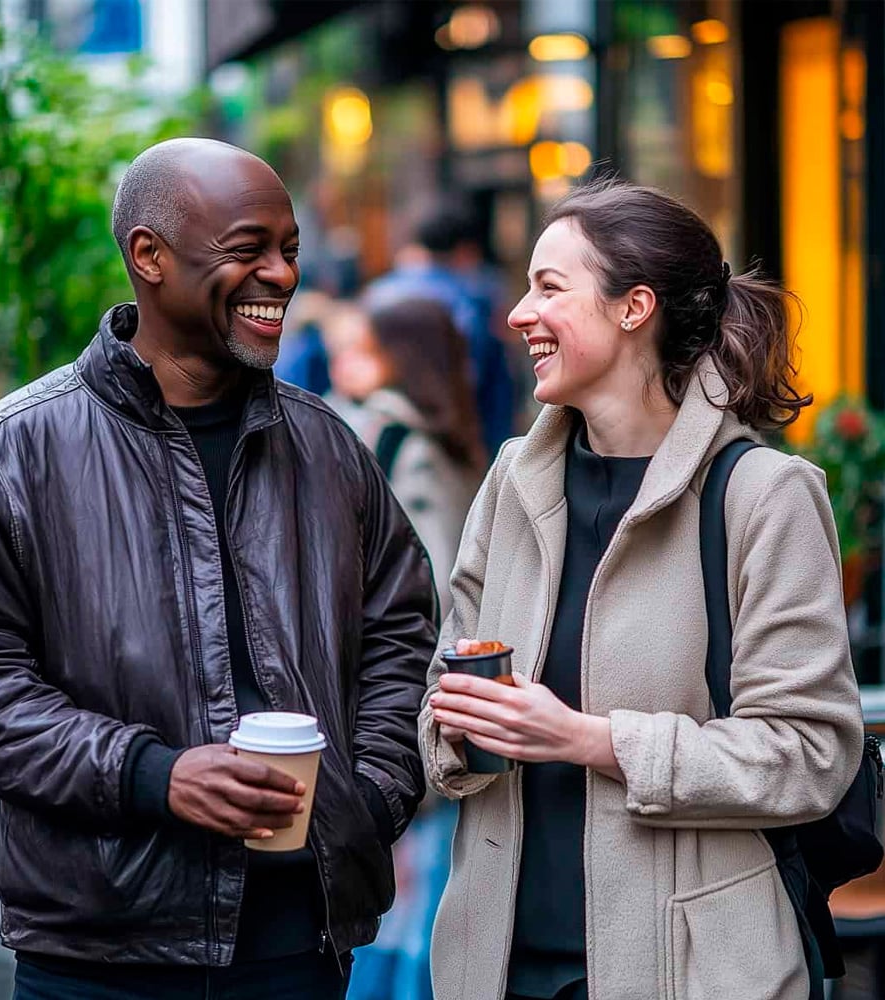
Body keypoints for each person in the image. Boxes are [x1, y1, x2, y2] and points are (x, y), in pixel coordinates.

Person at [0, 138, 437, 1000]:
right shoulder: (8, 453)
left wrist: (368, 795)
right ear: (148, 256)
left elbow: (402, 633)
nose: (282, 276)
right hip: (100, 954)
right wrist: (151, 775)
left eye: (290, 250)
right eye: (247, 249)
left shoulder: (329, 448)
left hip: (302, 943)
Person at [418, 180, 865, 1000]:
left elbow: (810, 756)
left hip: (689, 970)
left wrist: (589, 739)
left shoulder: (763, 495)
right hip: (495, 967)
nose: (519, 314)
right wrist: (456, 731)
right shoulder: (513, 478)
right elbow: (439, 697)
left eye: (550, 287)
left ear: (635, 309)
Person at [322, 296, 484, 1000]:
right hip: (452, 706)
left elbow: (426, 590)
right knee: (431, 902)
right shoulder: (463, 448)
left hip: (397, 707)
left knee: (392, 917)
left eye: (363, 348)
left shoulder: (385, 441)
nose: (343, 363)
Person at [324, 297, 485, 619]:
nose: (345, 363)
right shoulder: (449, 428)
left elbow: (434, 570)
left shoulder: (398, 439)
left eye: (366, 351)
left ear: (401, 358)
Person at [363, 198, 515, 460]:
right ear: (466, 250)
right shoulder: (472, 301)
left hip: (382, 428)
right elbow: (480, 382)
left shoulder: (379, 293)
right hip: (452, 438)